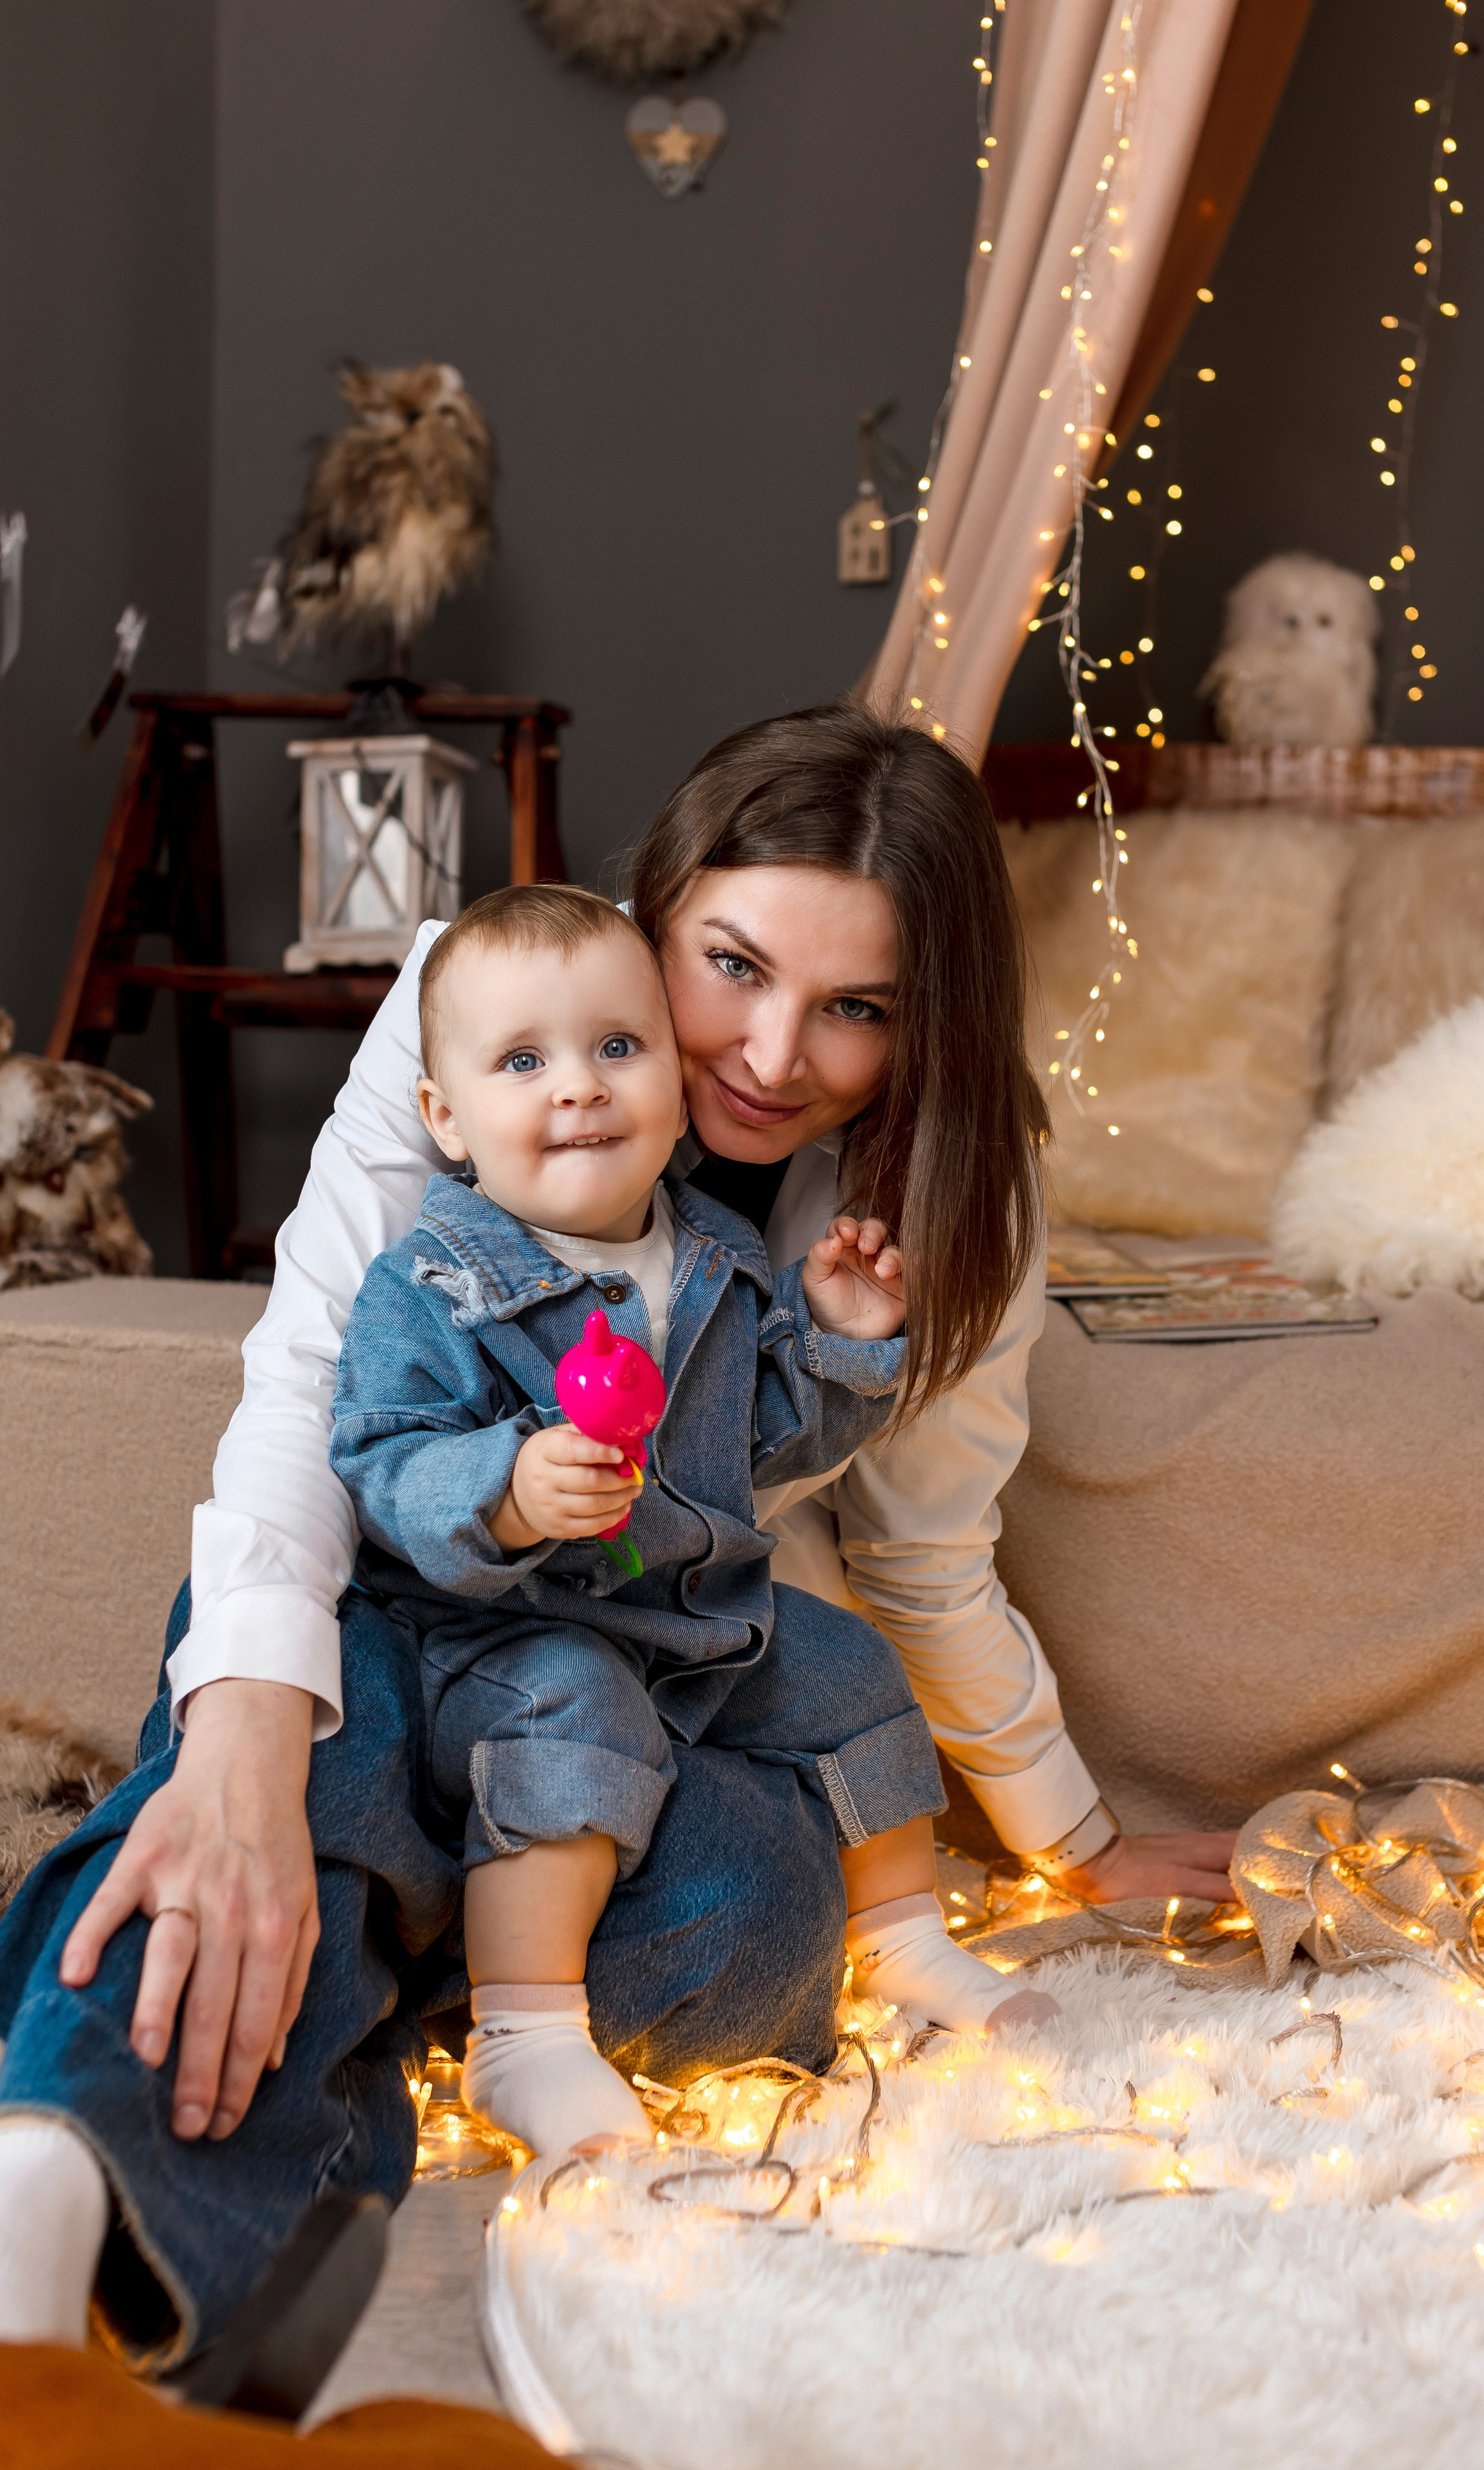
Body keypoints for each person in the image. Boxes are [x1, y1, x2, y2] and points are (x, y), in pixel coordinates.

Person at [0, 700, 1235, 2384]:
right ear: (656, 911)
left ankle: (375, 1961)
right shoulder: (497, 1006)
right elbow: (313, 1394)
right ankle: (64, 2184)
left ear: (926, 1025)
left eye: (855, 1009)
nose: (771, 1054)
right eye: (729, 966)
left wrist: (1073, 1837)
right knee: (270, 1810)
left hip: (646, 1674)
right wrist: (236, 1741)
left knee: (759, 1917)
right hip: (405, 1607)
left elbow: (920, 1557)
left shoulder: (946, 1196)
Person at [331, 882, 1053, 2161]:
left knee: (843, 1660)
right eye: (520, 1061)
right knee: (572, 1709)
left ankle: (900, 1944)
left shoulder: (715, 1255)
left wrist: (835, 1339)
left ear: (675, 1076)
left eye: (618, 1047)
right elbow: (383, 1457)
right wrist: (502, 1488)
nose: (578, 1087)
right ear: (445, 1116)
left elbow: (770, 1438)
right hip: (511, 1635)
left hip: (691, 1616)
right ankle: (526, 2035)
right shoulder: (437, 1277)